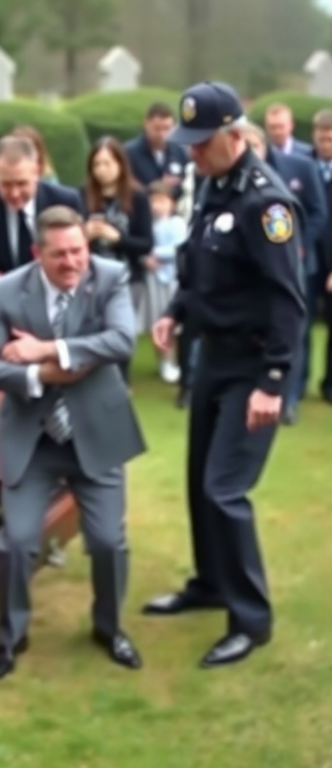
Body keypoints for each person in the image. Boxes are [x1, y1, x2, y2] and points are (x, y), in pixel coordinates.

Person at [144, 82, 305, 668]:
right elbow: (198, 266)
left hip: (252, 365)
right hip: (211, 358)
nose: (192, 152)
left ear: (234, 135)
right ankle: (211, 583)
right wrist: (174, 311)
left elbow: (287, 300)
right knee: (198, 481)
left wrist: (273, 380)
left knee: (225, 489)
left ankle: (251, 619)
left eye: (201, 142)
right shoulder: (214, 185)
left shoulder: (268, 204)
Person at [0, 205, 146, 681]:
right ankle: (12, 636)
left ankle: (109, 628)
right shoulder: (8, 290)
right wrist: (41, 375)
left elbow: (122, 341)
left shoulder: (109, 277)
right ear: (37, 253)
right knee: (17, 541)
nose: (72, 263)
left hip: (96, 431)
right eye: (60, 254)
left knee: (108, 541)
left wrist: (45, 349)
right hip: (34, 438)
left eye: (78, 251)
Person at [0, 135, 84, 335]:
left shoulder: (65, 201)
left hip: (57, 317)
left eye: (22, 183)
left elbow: (85, 253)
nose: (14, 193)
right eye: (6, 184)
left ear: (36, 172)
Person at [241, 121, 326, 424]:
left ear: (264, 147)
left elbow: (318, 211)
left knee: (294, 330)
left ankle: (289, 397)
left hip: (296, 264)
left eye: (254, 146)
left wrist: (297, 245)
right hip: (253, 272)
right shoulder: (232, 181)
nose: (249, 153)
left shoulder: (300, 167)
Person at [82, 137, 154, 383]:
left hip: (127, 276)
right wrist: (86, 234)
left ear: (121, 164)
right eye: (97, 164)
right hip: (90, 276)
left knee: (121, 329)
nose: (102, 170)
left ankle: (121, 381)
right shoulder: (82, 195)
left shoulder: (138, 197)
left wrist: (118, 238)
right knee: (93, 328)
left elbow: (146, 243)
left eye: (108, 163)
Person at [146, 180, 187, 384]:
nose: (157, 206)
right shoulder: (148, 224)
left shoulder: (176, 223)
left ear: (172, 203)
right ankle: (165, 361)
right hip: (154, 280)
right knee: (157, 319)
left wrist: (155, 253)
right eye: (153, 201)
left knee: (175, 322)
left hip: (174, 279)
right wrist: (145, 258)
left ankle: (178, 361)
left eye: (162, 201)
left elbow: (179, 247)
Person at [309, 108, 332, 404]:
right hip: (306, 258)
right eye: (322, 138)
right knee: (298, 324)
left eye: (331, 139)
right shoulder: (301, 165)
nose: (326, 144)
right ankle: (293, 387)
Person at [124, 101, 190, 199]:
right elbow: (125, 187)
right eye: (157, 129)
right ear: (146, 124)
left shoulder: (180, 152)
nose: (162, 134)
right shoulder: (128, 153)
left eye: (167, 129)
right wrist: (154, 188)